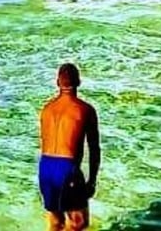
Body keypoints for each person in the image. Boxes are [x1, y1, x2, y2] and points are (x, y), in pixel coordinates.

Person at [39, 62, 100, 231]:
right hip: (67, 167)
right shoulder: (84, 109)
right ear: (79, 82)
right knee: (79, 223)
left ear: (57, 82)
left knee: (56, 223)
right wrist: (92, 181)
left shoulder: (47, 109)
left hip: (45, 167)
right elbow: (94, 148)